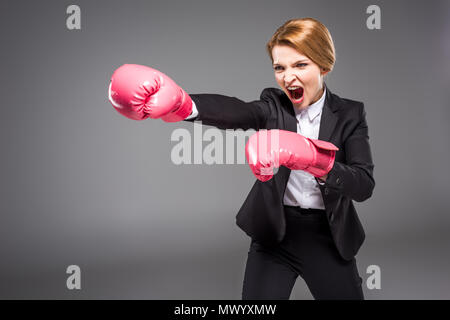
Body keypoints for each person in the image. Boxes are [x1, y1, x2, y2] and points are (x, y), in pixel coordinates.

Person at [108, 17, 375, 300]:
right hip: (275, 235)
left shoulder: (350, 114)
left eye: (300, 65)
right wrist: (185, 104)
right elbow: (237, 111)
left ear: (324, 65)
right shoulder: (275, 106)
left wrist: (312, 158)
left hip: (328, 238)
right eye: (279, 67)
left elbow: (363, 185)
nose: (288, 77)